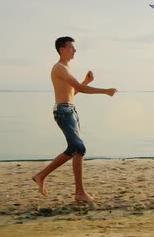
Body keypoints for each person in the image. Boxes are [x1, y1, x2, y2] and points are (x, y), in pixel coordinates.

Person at [32, 36, 117, 202]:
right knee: (79, 147)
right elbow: (79, 88)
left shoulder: (66, 68)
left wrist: (86, 81)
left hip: (70, 111)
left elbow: (72, 93)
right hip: (64, 112)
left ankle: (78, 192)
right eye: (71, 47)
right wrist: (105, 91)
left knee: (76, 151)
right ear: (62, 49)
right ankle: (43, 176)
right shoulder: (59, 68)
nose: (75, 50)